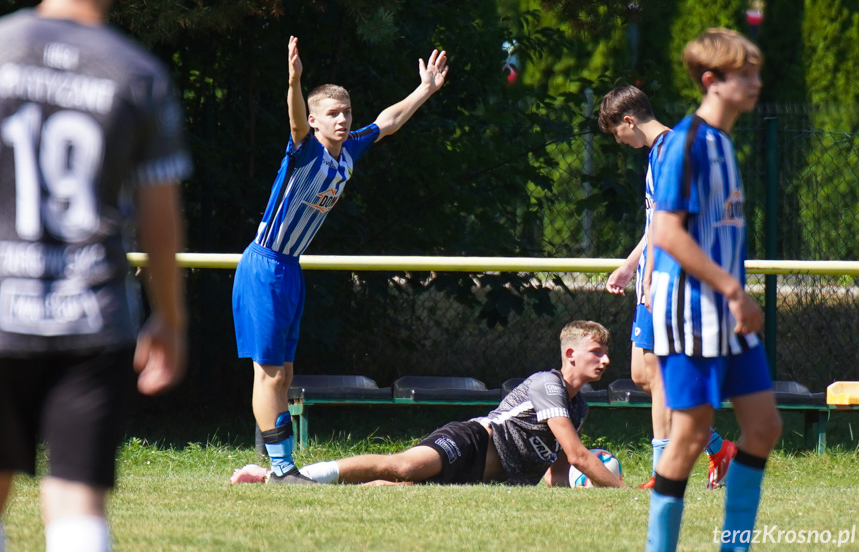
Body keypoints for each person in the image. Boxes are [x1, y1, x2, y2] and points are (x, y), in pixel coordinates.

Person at [0, 0, 191, 550]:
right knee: (77, 502)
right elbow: (159, 220)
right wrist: (172, 320)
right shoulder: (138, 74)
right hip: (93, 318)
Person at [232, 36, 448, 484]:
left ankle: (281, 468)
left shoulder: (348, 151)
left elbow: (386, 123)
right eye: (333, 113)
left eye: (346, 112)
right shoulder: (305, 149)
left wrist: (424, 90)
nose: (343, 119)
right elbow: (294, 122)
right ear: (315, 121)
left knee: (285, 373)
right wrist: (294, 81)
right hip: (265, 265)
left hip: (290, 268)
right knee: (268, 373)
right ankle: (281, 468)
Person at [644, 29, 782, 552]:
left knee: (764, 427)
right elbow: (667, 232)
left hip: (730, 316)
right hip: (693, 316)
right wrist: (731, 289)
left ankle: (735, 547)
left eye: (755, 72)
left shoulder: (724, 143)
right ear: (711, 81)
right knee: (689, 438)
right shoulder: (685, 143)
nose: (755, 83)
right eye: (744, 75)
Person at [598, 85, 737, 490]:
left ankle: (665, 474)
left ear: (628, 121)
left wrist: (656, 279)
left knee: (657, 375)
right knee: (642, 374)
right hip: (654, 276)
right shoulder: (660, 152)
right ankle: (717, 447)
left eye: (616, 134)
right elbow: (654, 222)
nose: (619, 142)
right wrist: (630, 266)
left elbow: (670, 225)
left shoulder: (670, 151)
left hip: (669, 280)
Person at [297, 320, 628, 488]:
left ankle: (326, 484)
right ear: (570, 354)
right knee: (403, 467)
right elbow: (577, 456)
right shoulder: (548, 383)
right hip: (471, 442)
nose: (606, 360)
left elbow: (558, 468)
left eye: (605, 352)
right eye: (596, 352)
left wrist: (572, 491)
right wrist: (622, 491)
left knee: (395, 489)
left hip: (481, 478)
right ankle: (300, 476)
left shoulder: (579, 406)